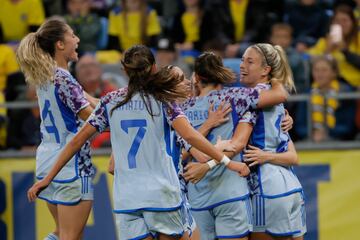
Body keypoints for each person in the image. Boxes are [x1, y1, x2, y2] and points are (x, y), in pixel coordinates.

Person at [27, 45, 248, 240]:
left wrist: (47, 178)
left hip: (127, 199)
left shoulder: (110, 101)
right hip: (162, 195)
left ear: (124, 71)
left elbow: (76, 142)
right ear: (153, 68)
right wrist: (229, 162)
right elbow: (191, 136)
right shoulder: (162, 100)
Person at [182, 44, 306, 240]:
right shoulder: (250, 98)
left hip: (264, 187)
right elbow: (293, 156)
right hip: (291, 187)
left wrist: (206, 166)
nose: (242, 66)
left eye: (249, 61)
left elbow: (238, 143)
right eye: (242, 60)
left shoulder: (185, 107)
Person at [16, 19, 97, 240]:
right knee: (69, 236)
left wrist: (121, 104)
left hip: (47, 160)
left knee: (64, 233)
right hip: (71, 164)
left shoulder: (46, 75)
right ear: (60, 44)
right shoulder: (64, 79)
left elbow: (96, 104)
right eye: (72, 35)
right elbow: (92, 117)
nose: (77, 39)